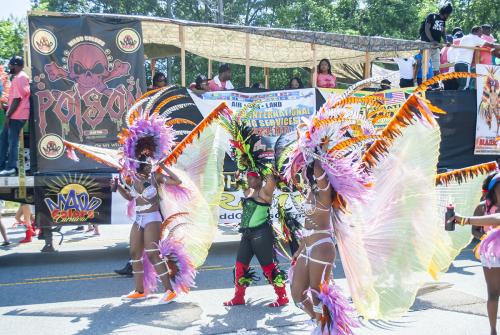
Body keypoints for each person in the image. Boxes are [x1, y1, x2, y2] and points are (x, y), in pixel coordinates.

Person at [113, 155, 182, 303]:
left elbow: (177, 181)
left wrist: (163, 167)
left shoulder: (155, 177)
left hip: (152, 218)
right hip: (139, 219)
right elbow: (130, 197)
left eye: (151, 164)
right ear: (140, 167)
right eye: (147, 165)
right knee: (134, 254)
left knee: (152, 254)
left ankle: (170, 291)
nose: (150, 166)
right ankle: (140, 291)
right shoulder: (132, 179)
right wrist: (117, 187)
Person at [448, 172, 500, 335]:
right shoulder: (482, 207)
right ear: (493, 189)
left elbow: (497, 218)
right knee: (493, 293)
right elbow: (476, 231)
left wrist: (463, 219)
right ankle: (493, 330)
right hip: (492, 254)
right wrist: (485, 237)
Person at [0, 56, 30, 176]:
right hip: (15, 114)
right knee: (3, 139)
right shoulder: (18, 77)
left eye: (11, 65)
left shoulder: (20, 78)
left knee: (13, 142)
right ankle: (2, 165)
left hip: (17, 116)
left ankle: (11, 167)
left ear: (16, 65)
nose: (9, 67)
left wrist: (8, 115)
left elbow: (17, 99)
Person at [420, 3, 453, 78]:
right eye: (448, 14)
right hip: (427, 45)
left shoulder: (443, 21)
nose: (448, 16)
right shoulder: (432, 16)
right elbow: (426, 29)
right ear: (445, 12)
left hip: (436, 46)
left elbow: (443, 32)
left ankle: (435, 83)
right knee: (425, 65)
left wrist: (446, 40)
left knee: (436, 66)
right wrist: (432, 40)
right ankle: (423, 83)